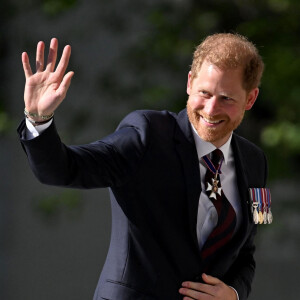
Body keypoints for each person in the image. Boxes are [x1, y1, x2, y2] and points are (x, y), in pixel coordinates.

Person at [18, 33, 268, 300]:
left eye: (226, 98)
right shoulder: (147, 135)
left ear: (250, 99)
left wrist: (234, 294)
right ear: (189, 83)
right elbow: (64, 169)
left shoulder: (256, 162)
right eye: (204, 93)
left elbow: (247, 251)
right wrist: (38, 119)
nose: (211, 108)